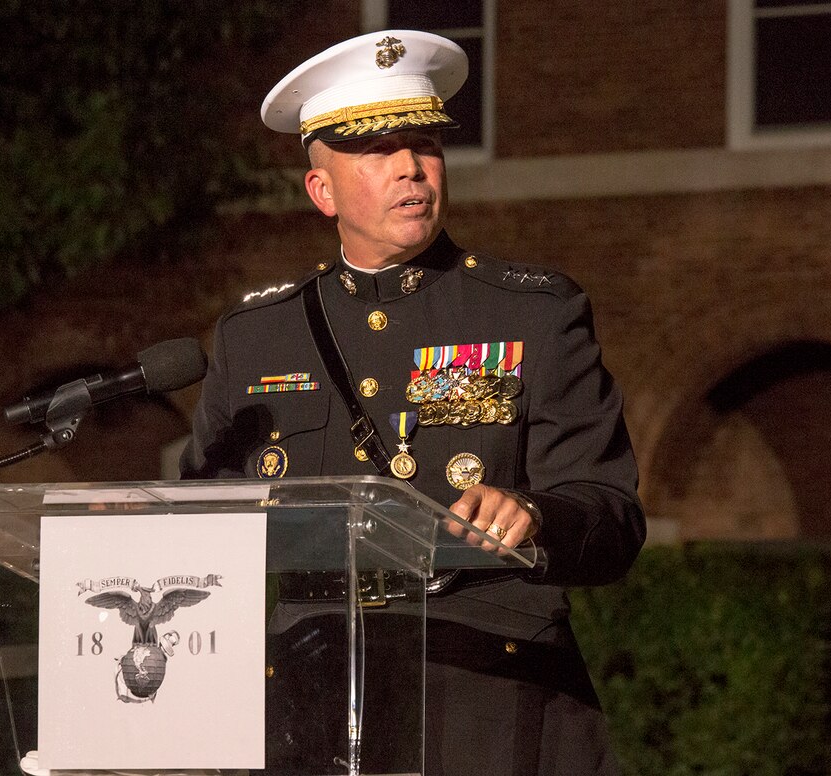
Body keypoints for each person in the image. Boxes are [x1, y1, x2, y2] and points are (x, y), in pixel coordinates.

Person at [182, 30, 646, 775]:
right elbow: (203, 521)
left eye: (425, 145)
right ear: (322, 190)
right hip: (310, 688)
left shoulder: (532, 315)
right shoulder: (258, 336)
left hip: (486, 689)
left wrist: (537, 513)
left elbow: (612, 513)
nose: (412, 169)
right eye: (377, 151)